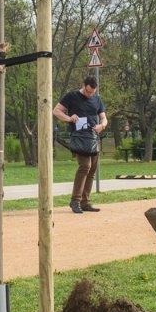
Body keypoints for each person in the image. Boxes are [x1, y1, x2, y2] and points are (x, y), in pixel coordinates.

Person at [54, 75, 108, 214]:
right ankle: (75, 201)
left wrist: (102, 126)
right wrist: (69, 118)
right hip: (79, 138)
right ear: (83, 86)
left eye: (92, 92)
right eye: (88, 91)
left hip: (93, 138)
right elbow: (56, 111)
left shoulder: (97, 99)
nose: (90, 95)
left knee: (92, 170)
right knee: (85, 166)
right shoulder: (72, 96)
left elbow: (104, 118)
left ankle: (85, 202)